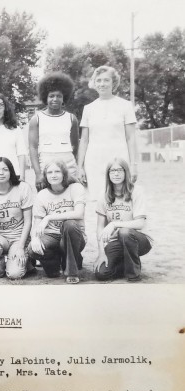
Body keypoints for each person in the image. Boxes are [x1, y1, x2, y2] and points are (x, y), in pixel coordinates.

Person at [77, 66, 138, 200]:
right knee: (99, 203)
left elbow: (131, 138)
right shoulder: (88, 109)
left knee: (120, 200)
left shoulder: (125, 105)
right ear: (94, 83)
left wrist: (133, 165)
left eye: (106, 80)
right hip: (94, 162)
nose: (102, 84)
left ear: (114, 82)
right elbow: (84, 140)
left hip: (119, 160)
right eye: (98, 80)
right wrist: (80, 167)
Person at [29, 160, 86, 284]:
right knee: (32, 249)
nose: (53, 175)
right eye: (49, 172)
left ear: (64, 174)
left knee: (69, 224)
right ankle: (55, 263)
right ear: (45, 176)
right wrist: (34, 238)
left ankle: (72, 270)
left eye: (57, 171)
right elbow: (36, 223)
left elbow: (78, 213)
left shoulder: (75, 188)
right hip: (52, 236)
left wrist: (49, 217)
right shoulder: (42, 195)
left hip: (74, 235)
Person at [94, 158, 152, 282]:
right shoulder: (103, 195)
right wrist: (101, 253)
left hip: (139, 240)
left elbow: (140, 223)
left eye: (120, 170)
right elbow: (99, 227)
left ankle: (133, 274)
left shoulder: (136, 191)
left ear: (126, 173)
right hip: (116, 242)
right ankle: (126, 263)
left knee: (124, 232)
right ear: (108, 174)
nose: (116, 174)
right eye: (112, 170)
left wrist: (115, 224)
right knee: (101, 273)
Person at [0, 157, 32, 280]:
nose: (1, 173)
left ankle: (25, 260)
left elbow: (28, 221)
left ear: (11, 171)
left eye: (5, 169)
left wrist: (21, 247)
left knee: (15, 274)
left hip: (18, 238)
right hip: (1, 237)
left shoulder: (23, 188)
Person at [28, 73, 79, 190]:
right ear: (45, 97)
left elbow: (75, 147)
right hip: (46, 165)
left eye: (59, 96)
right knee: (47, 200)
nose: (55, 99)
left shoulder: (72, 119)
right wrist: (38, 174)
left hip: (68, 165)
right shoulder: (36, 119)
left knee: (70, 198)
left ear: (64, 98)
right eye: (51, 96)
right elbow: (33, 148)